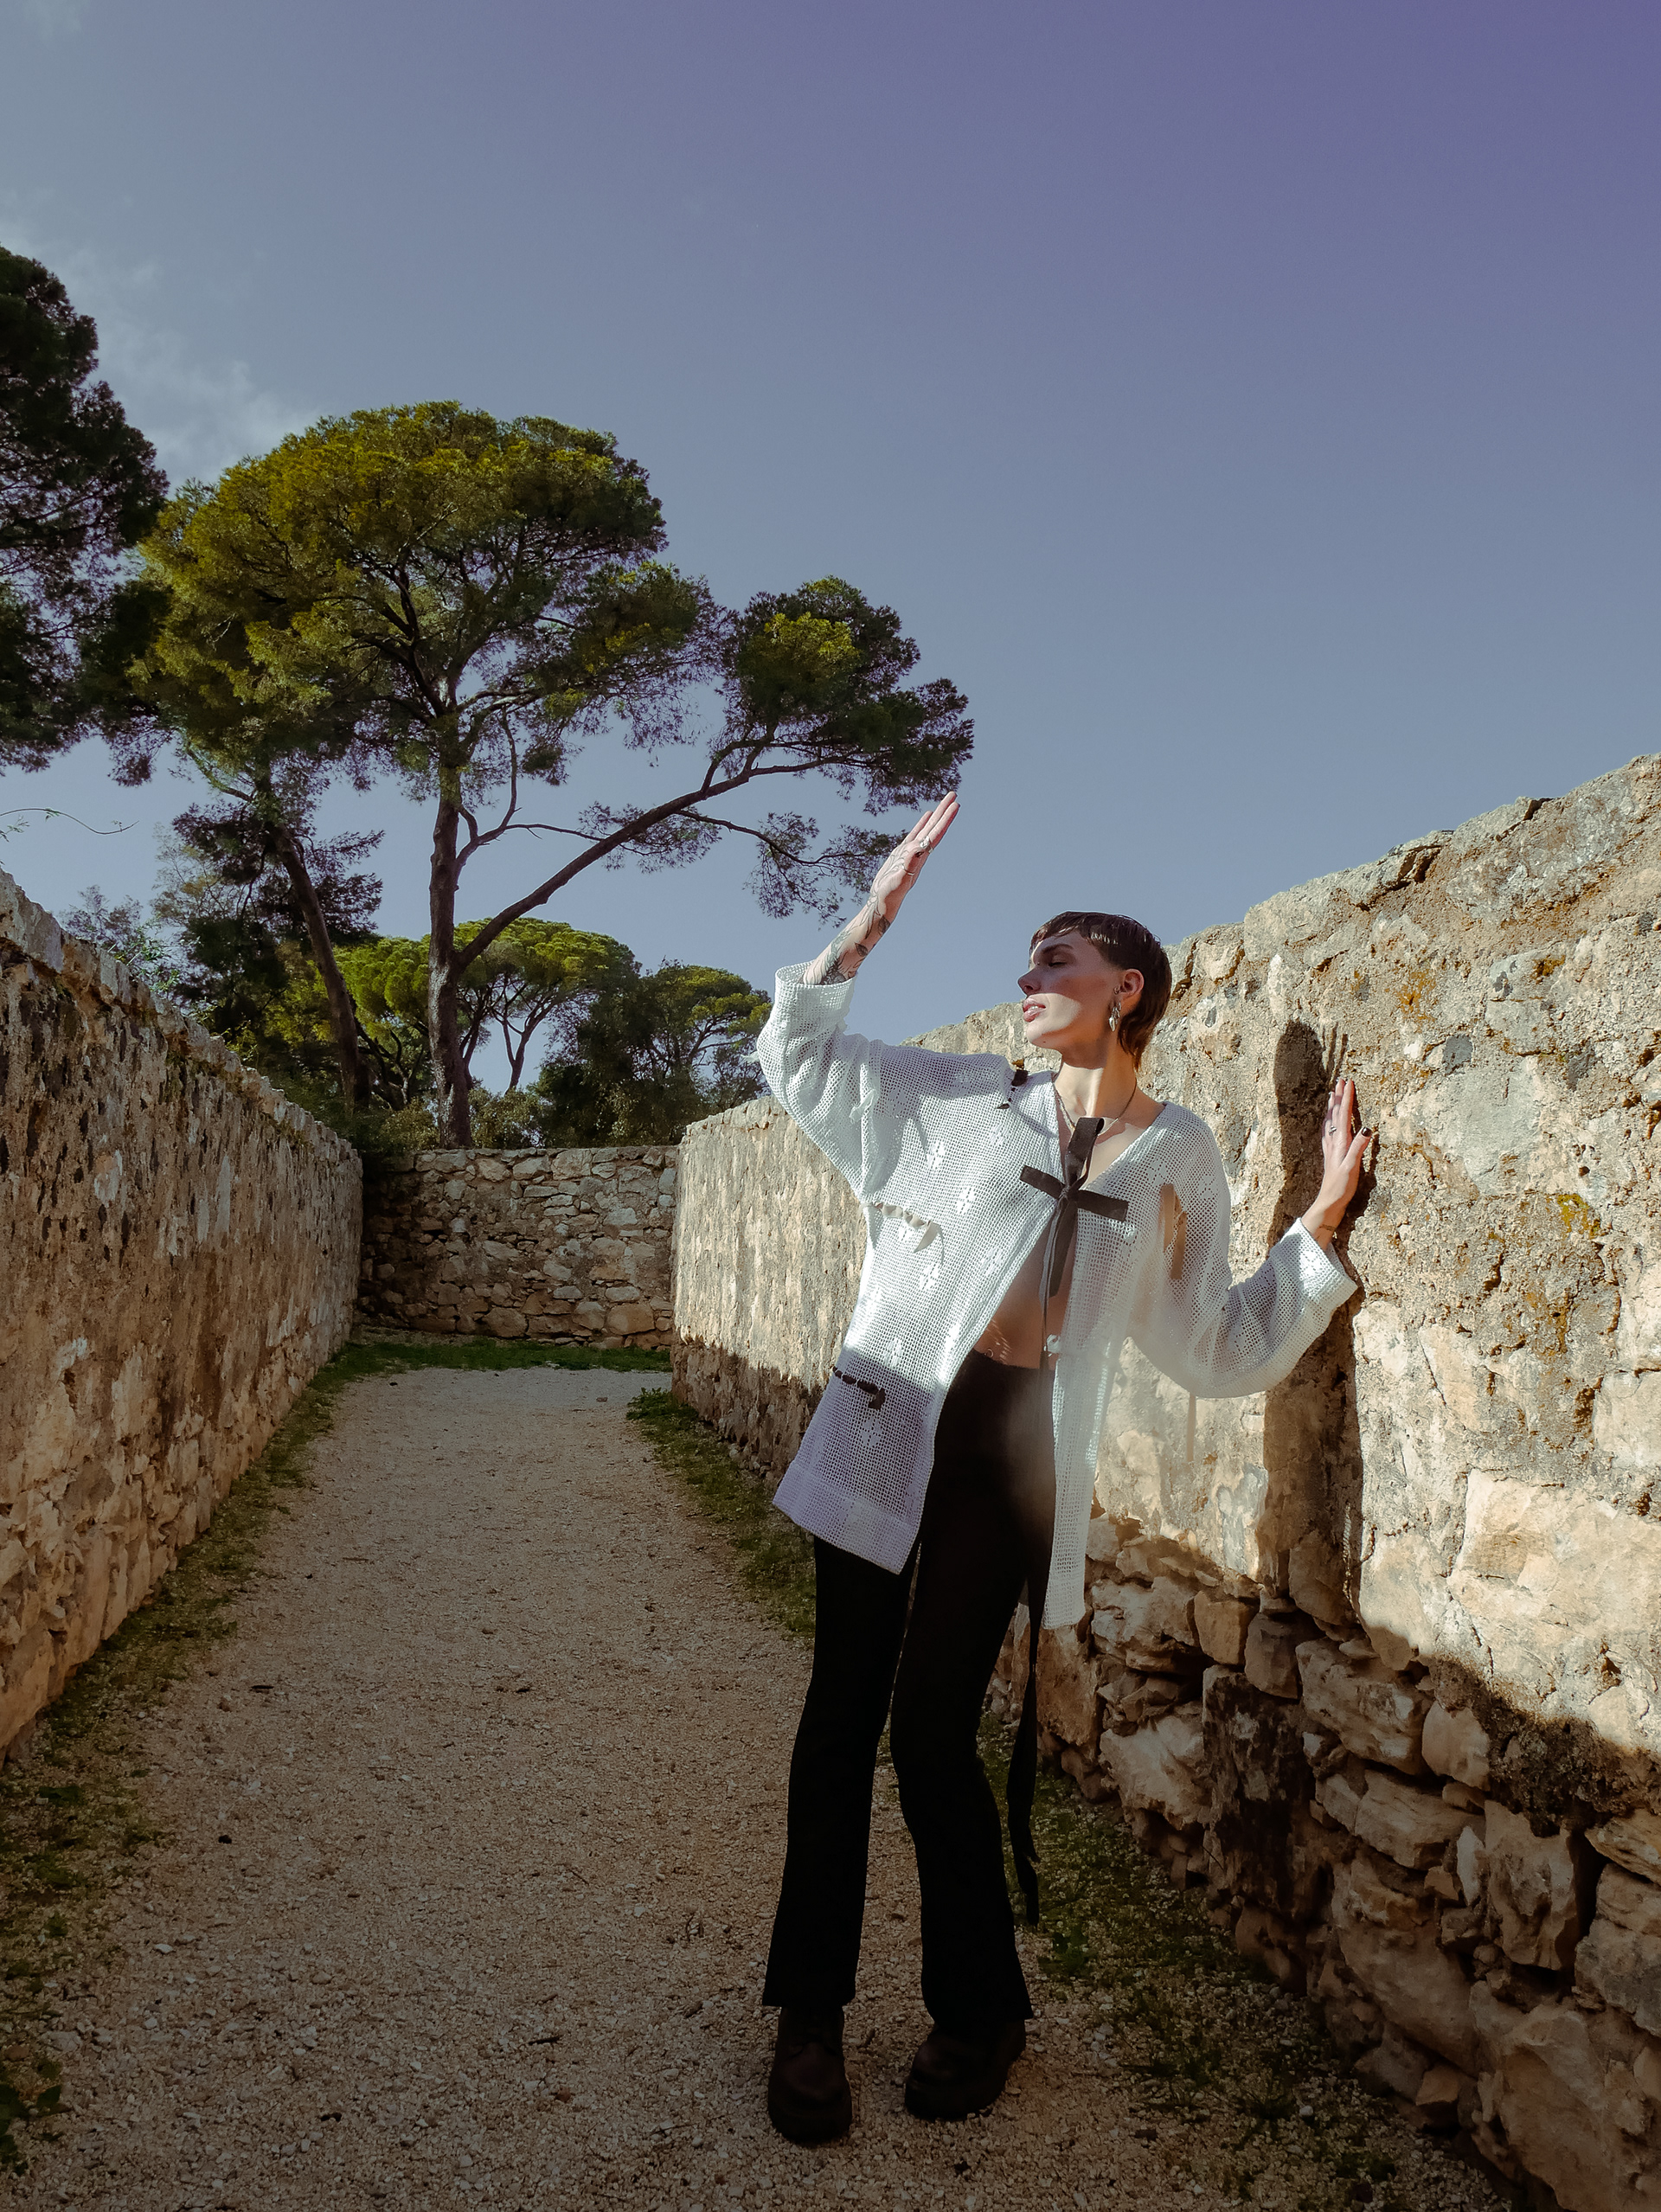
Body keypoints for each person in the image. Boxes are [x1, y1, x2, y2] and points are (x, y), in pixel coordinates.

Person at [754, 797, 1369, 2140]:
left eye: (1056, 958)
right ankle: (808, 2019)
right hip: (890, 1416)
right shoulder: (957, 1096)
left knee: (932, 1730)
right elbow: (793, 1060)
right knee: (839, 1716)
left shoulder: (1177, 1151)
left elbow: (1212, 1341)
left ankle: (982, 2009)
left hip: (1013, 1458)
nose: (1026, 976)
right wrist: (871, 917)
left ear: (1124, 988)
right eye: (1028, 957)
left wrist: (1319, 1228)